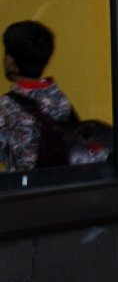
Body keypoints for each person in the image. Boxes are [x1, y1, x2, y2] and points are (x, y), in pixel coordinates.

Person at [0, 20, 76, 172]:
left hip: (25, 192)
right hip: (63, 188)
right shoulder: (60, 100)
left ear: (10, 62)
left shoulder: (6, 107)